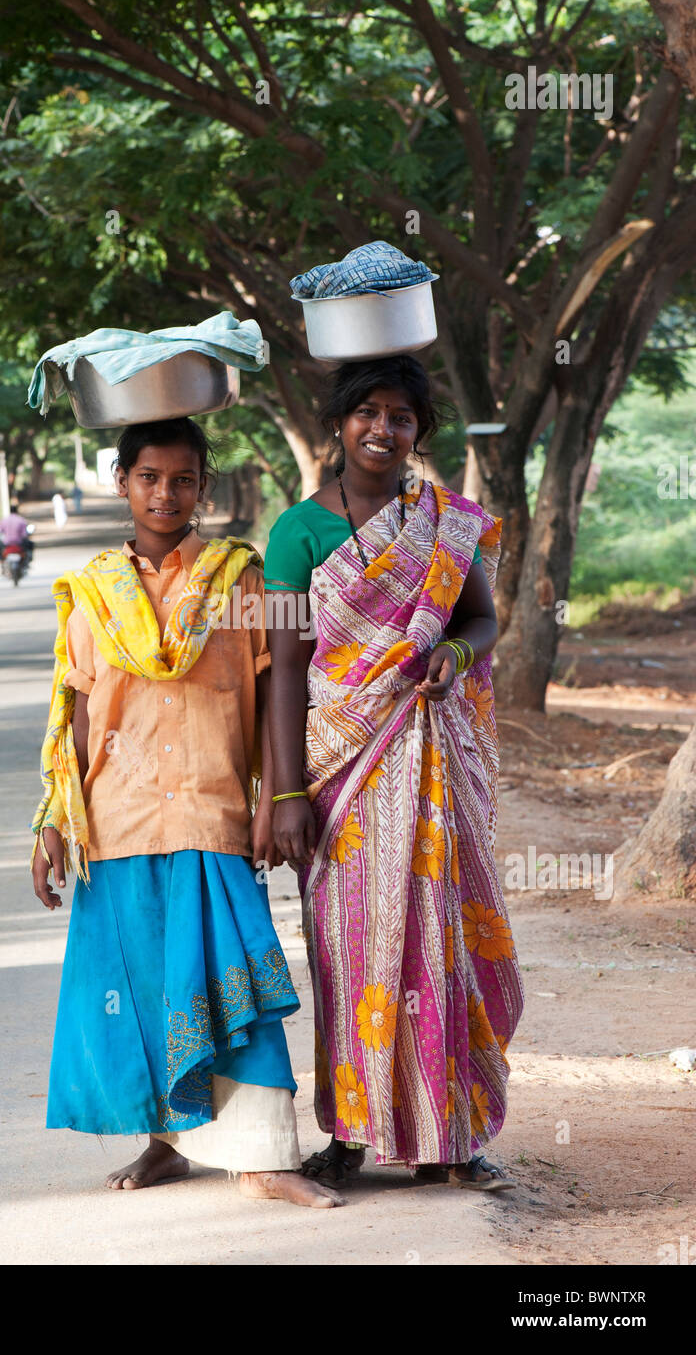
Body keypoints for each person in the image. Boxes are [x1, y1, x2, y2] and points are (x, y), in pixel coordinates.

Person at [31, 416, 339, 1209]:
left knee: (233, 983)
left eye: (183, 479)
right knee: (142, 994)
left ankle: (269, 1157)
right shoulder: (93, 589)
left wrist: (281, 793)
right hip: (119, 818)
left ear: (205, 486)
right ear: (122, 482)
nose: (166, 493)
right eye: (149, 478)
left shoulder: (244, 576)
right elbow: (72, 714)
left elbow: (279, 685)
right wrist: (53, 823)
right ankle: (168, 1143)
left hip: (213, 810)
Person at [265, 355, 524, 1191]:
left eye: (402, 417)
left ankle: (449, 1138)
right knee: (349, 951)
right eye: (367, 412)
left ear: (420, 432)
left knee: (437, 943)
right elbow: (282, 665)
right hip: (339, 766)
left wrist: (452, 650)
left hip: (434, 762)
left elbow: (482, 620)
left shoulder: (441, 523)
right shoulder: (295, 533)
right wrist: (285, 793)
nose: (383, 429)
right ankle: (348, 1133)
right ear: (337, 423)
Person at [0, 503, 33, 568]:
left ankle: (1, 561)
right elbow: (24, 534)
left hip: (6, 543)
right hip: (19, 543)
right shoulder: (21, 520)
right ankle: (28, 561)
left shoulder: (4, 520)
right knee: (31, 544)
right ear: (17, 511)